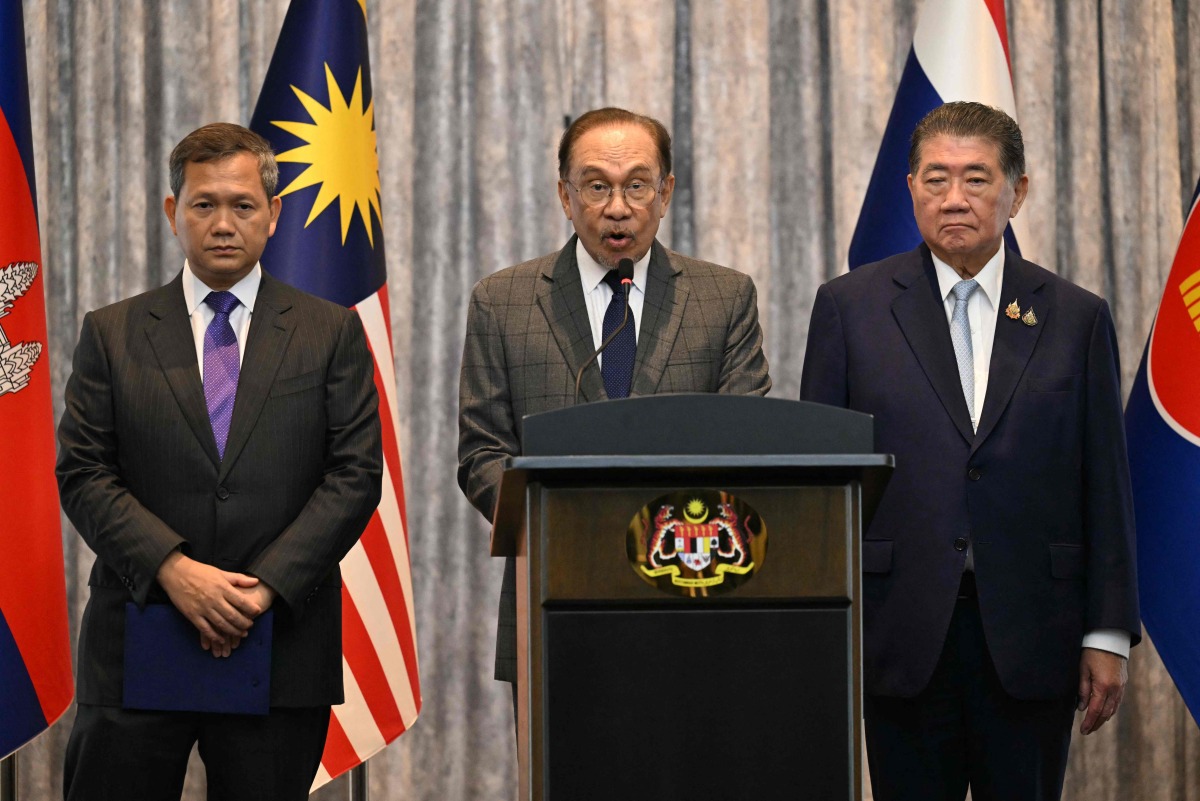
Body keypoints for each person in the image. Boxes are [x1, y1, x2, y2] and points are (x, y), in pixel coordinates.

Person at [800, 101, 1139, 800]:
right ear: (911, 188)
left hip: (1033, 634)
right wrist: (821, 628)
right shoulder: (849, 307)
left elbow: (1106, 481)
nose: (953, 198)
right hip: (897, 631)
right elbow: (820, 482)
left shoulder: (1076, 316)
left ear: (1018, 190)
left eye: (977, 179)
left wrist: (1108, 631)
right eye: (936, 178)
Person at [56, 123, 382, 800]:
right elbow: (84, 472)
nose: (224, 222)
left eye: (242, 204)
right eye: (204, 204)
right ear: (174, 212)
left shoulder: (330, 331)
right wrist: (174, 570)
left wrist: (259, 588)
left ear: (274, 212)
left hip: (279, 640)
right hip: (139, 636)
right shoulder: (112, 333)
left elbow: (354, 476)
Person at [458, 107, 771, 703]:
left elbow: (744, 440)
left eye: (637, 185)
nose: (618, 207)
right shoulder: (503, 302)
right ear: (565, 195)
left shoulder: (724, 296)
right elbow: (481, 451)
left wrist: (662, 534)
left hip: (693, 594)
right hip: (555, 593)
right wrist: (564, 527)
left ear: (666, 192)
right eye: (597, 186)